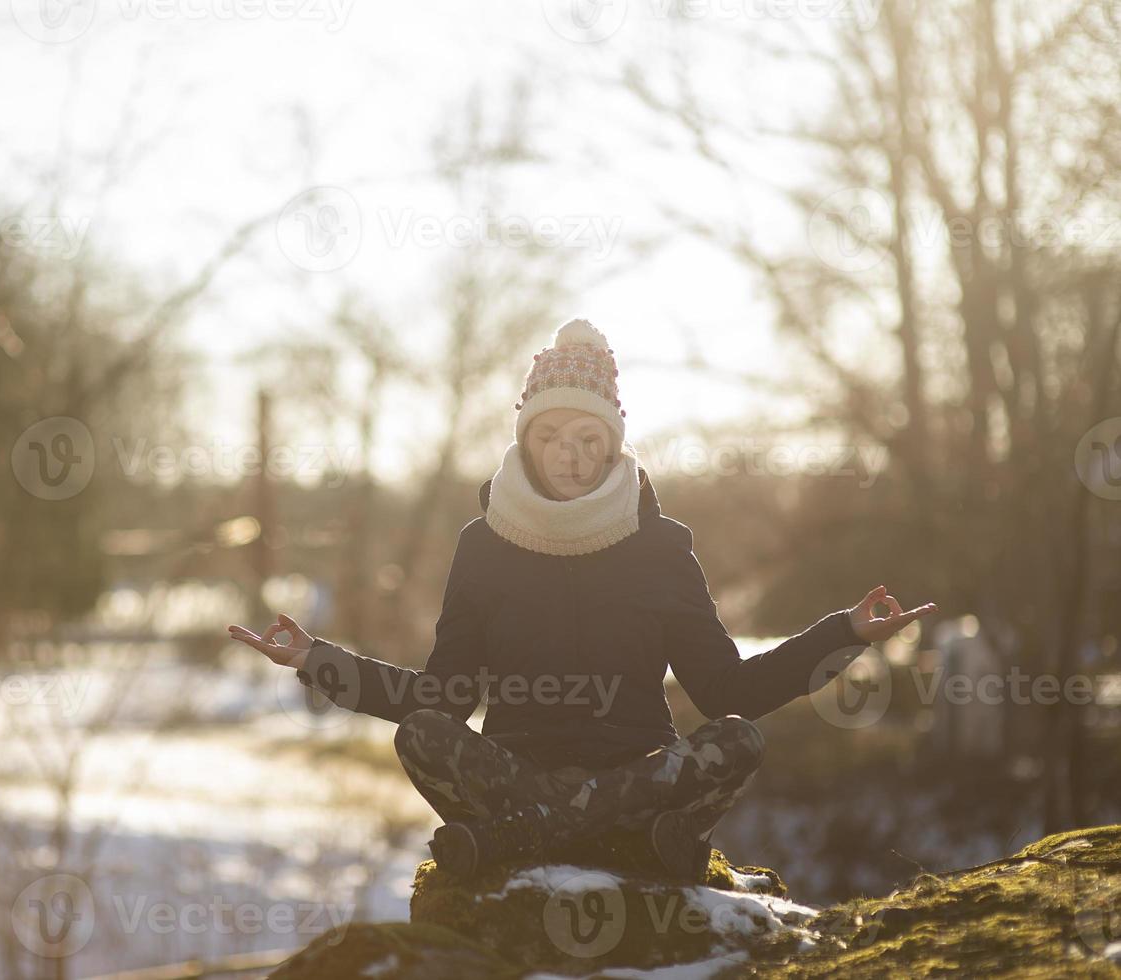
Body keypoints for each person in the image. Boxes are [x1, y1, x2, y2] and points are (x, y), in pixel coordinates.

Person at [228, 319, 938, 881]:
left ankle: (527, 836)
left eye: (588, 438)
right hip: (518, 774)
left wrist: (843, 633)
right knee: (418, 735)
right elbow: (442, 700)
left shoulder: (660, 548)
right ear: (527, 441)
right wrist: (314, 658)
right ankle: (627, 838)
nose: (569, 454)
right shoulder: (484, 547)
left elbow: (729, 689)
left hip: (638, 773)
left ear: (612, 445)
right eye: (551, 436)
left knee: (737, 741)